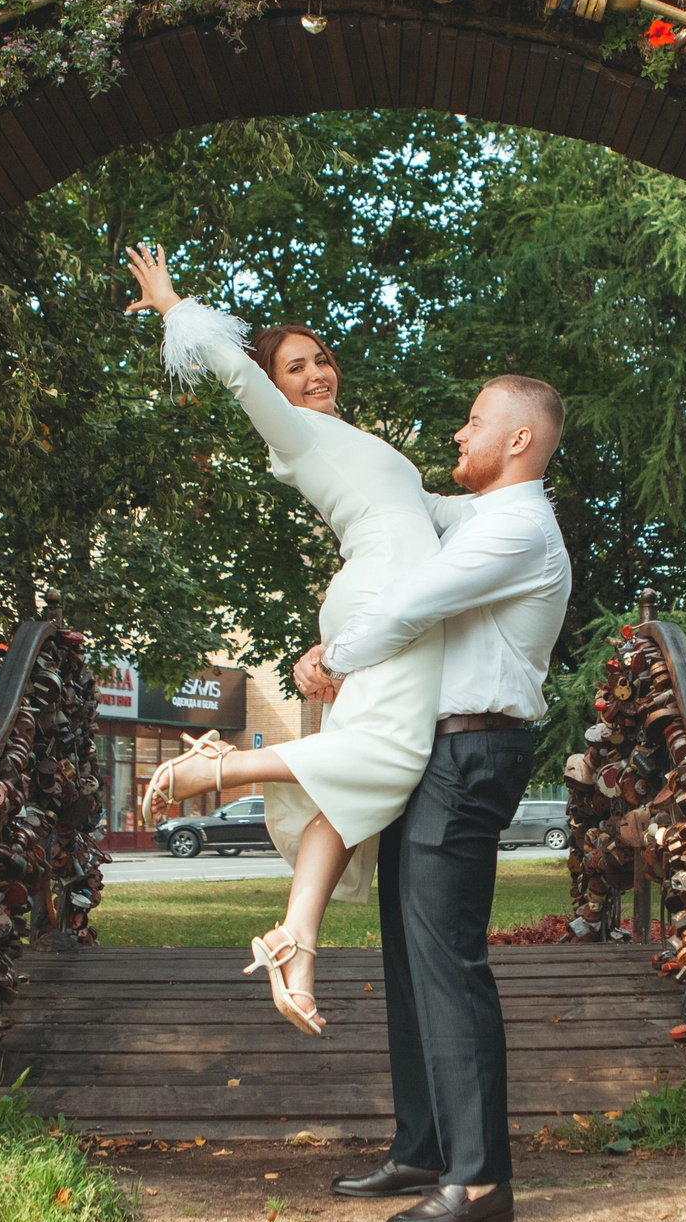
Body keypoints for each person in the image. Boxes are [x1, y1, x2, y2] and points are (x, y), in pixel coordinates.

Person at [123, 244, 446, 1039]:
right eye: (296, 366)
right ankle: (221, 766)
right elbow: (236, 375)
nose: (317, 374)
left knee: (358, 783)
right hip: (393, 598)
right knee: (395, 759)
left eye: (322, 359)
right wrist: (172, 308)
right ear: (278, 382)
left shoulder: (358, 441)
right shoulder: (297, 435)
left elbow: (424, 513)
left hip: (380, 598)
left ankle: (296, 944)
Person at [295, 374, 571, 1222]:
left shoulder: (520, 528)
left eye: (477, 421)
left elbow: (411, 605)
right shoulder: (477, 517)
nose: (459, 431)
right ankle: (422, 1145)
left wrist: (334, 656)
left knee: (448, 960)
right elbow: (397, 499)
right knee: (410, 957)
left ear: (520, 440)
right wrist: (313, 419)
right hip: (431, 748)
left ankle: (481, 1178)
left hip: (471, 750)